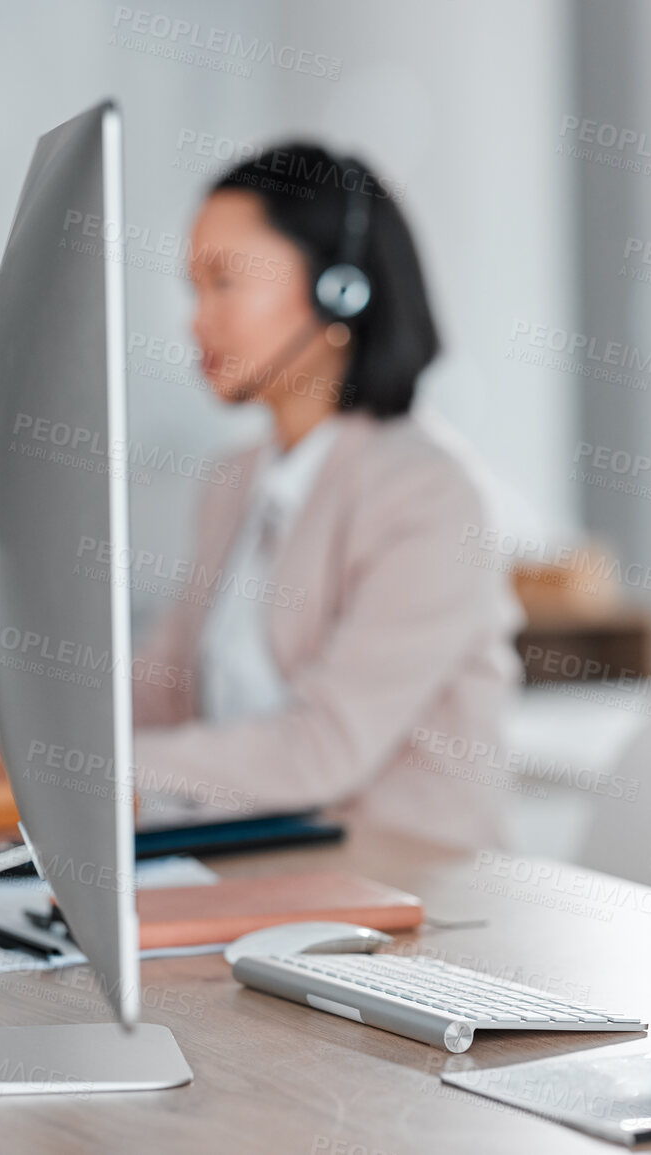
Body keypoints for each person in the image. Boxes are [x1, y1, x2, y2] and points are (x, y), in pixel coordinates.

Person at [129, 143, 523, 849]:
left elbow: (323, 748)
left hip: (411, 888)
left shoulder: (430, 495)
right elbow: (159, 692)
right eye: (193, 287)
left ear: (339, 289)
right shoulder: (233, 480)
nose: (196, 319)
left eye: (224, 282)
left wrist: (80, 766)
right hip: (250, 865)